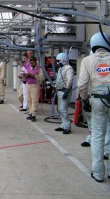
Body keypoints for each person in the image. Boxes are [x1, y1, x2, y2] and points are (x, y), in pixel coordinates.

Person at [78, 32, 110, 182]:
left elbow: (82, 84)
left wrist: (84, 100)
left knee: (97, 136)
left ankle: (98, 173)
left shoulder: (87, 60)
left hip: (97, 100)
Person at [54, 52, 74, 134]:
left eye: (58, 61)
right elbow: (59, 79)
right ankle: (63, 125)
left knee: (63, 109)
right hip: (59, 90)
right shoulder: (61, 68)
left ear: (63, 60)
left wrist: (67, 89)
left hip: (64, 91)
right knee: (60, 109)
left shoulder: (68, 68)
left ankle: (67, 126)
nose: (57, 62)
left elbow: (70, 80)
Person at [25, 56, 44, 122]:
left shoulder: (39, 68)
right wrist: (23, 76)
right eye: (30, 62)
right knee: (29, 99)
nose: (31, 64)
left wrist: (35, 75)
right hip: (28, 84)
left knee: (34, 100)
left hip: (34, 85)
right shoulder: (28, 67)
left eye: (33, 62)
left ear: (36, 62)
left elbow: (42, 78)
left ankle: (34, 114)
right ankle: (30, 112)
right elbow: (25, 74)